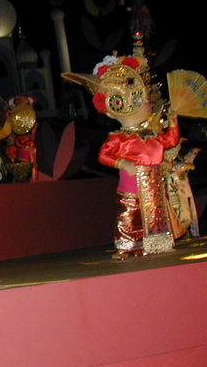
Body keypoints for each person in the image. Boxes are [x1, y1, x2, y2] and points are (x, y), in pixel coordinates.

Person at [63, 53, 179, 258]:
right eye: (144, 101)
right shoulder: (118, 138)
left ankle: (157, 244)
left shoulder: (152, 135)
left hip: (153, 184)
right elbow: (103, 155)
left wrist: (173, 123)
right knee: (128, 215)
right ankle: (126, 246)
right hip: (130, 185)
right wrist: (123, 164)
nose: (149, 105)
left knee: (155, 215)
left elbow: (170, 141)